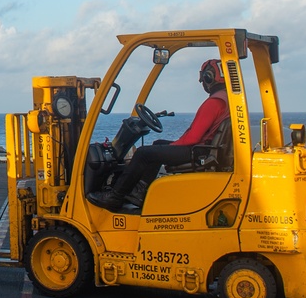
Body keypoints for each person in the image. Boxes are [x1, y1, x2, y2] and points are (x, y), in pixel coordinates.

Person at [88, 59, 231, 211]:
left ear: (209, 77)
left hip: (197, 150)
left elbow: (193, 138)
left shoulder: (213, 103)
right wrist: (168, 146)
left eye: (204, 78)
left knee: (143, 153)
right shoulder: (226, 99)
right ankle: (139, 193)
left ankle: (115, 197)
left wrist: (174, 145)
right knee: (157, 145)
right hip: (204, 149)